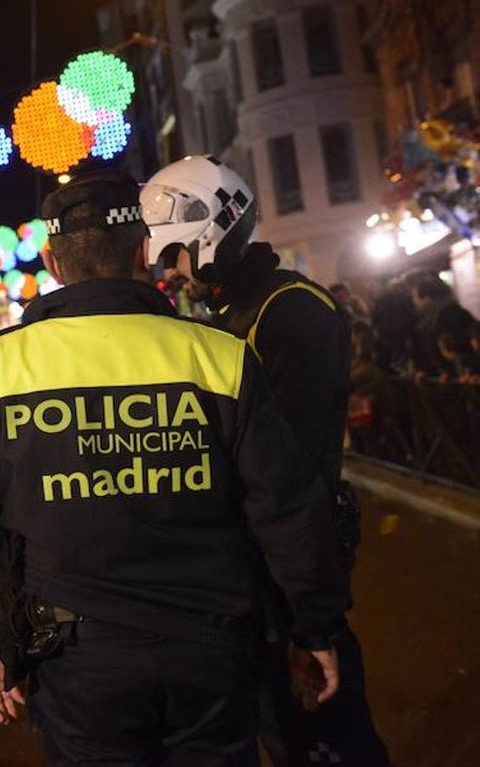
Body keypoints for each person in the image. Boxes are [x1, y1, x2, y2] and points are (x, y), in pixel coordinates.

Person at [0, 170, 349, 766]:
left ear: (51, 259)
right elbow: (287, 508)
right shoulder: (219, 357)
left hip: (78, 664)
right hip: (212, 650)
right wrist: (313, 626)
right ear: (145, 249)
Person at [141, 154, 390, 766]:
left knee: (326, 740)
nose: (171, 273)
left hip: (288, 576)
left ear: (207, 239)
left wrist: (310, 619)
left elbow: (287, 477)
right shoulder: (237, 316)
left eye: (174, 255)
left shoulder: (289, 312)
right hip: (259, 576)